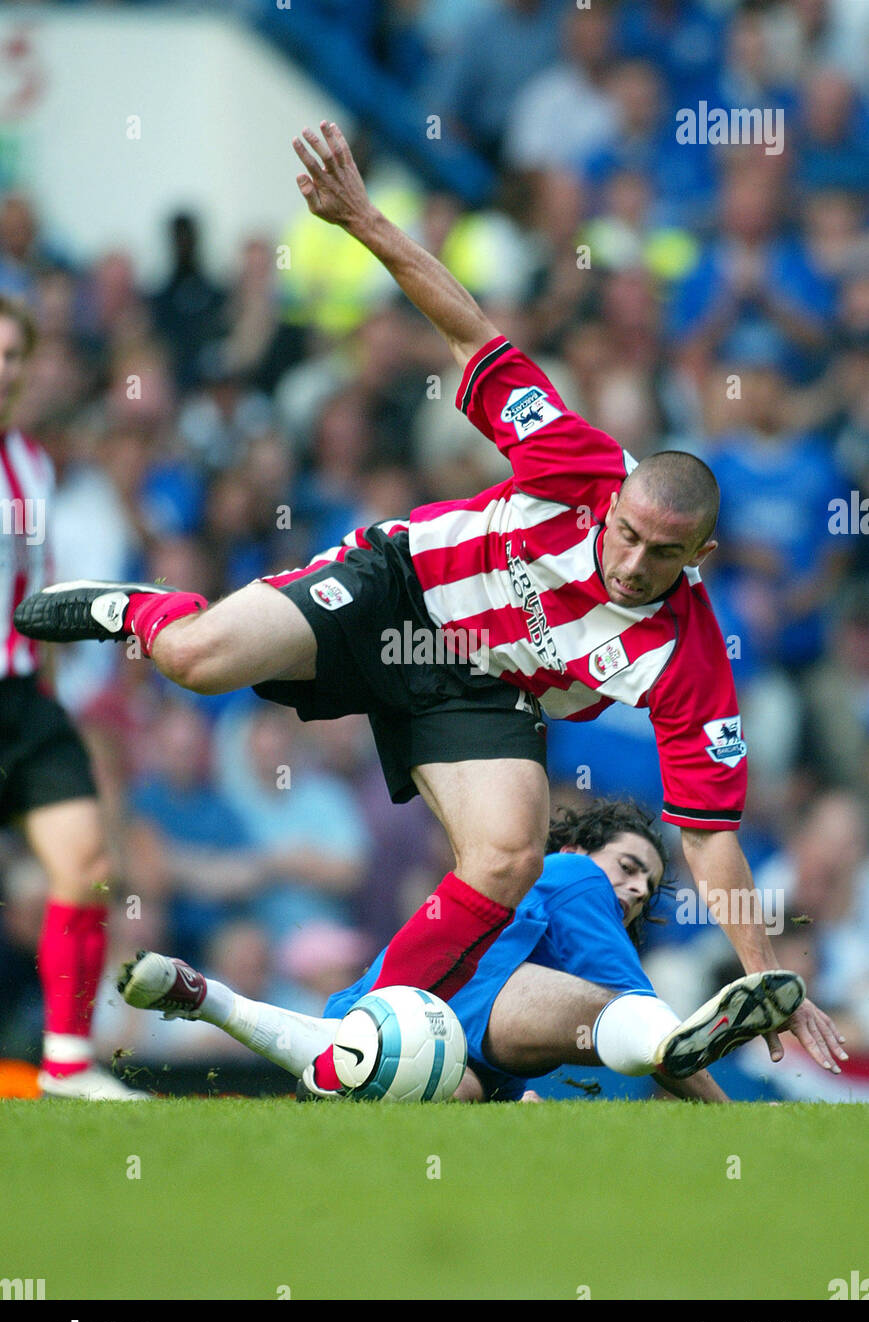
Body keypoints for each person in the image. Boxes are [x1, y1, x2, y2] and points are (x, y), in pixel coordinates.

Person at [14, 122, 846, 1099]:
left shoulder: (689, 654)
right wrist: (362, 218)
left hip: (483, 687)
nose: (626, 563)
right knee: (195, 660)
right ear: (612, 500)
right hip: (395, 591)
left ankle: (362, 1044)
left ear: (696, 558)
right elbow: (467, 329)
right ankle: (146, 608)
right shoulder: (576, 459)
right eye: (622, 533)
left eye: (658, 555)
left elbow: (708, 833)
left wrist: (760, 976)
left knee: (505, 855)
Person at [116, 800, 806, 1103]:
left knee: (452, 1085)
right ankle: (679, 1038)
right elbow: (636, 1013)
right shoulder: (572, 876)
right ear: (576, 849)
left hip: (381, 1012)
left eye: (646, 886)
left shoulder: (540, 895)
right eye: (627, 864)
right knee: (627, 1015)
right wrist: (724, 1114)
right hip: (458, 997)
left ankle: (205, 997)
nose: (630, 887)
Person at [0, 294, 143, 1098]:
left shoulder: (30, 461)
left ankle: (64, 1064)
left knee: (85, 864)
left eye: (15, 356)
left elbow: (34, 587)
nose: (5, 370)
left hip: (22, 696)